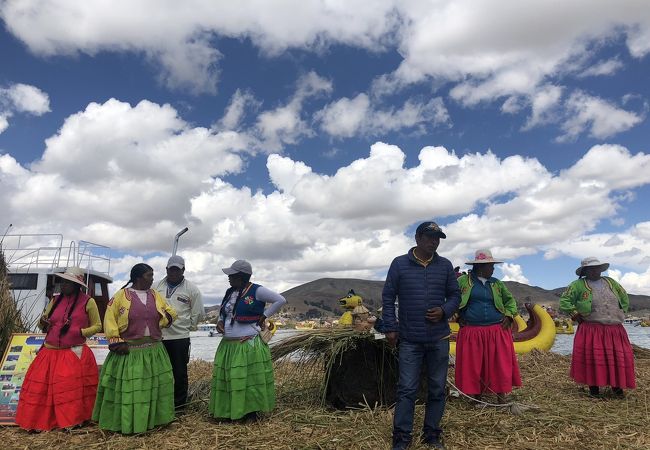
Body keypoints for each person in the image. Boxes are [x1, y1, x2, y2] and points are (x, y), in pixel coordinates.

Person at [382, 221, 461, 450]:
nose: (433, 242)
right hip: (409, 339)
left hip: (439, 338)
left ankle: (432, 434)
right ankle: (401, 438)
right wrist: (390, 326)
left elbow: (455, 296)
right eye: (429, 237)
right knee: (407, 388)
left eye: (437, 238)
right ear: (417, 238)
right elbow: (388, 297)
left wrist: (445, 310)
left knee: (437, 388)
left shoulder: (445, 266)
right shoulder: (399, 264)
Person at [92, 263, 178, 434]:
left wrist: (165, 319)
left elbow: (170, 312)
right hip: (129, 351)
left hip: (154, 350)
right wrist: (116, 341)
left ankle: (155, 419)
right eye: (149, 276)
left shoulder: (155, 295)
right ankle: (128, 423)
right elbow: (109, 319)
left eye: (152, 275)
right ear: (138, 277)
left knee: (155, 387)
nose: (152, 279)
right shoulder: (120, 297)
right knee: (133, 390)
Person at [15, 267, 101, 431]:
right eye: (62, 282)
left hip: (72, 352)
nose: (63, 285)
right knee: (41, 389)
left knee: (68, 391)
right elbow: (42, 322)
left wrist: (80, 332)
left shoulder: (88, 301)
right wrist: (43, 322)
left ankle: (71, 421)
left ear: (77, 285)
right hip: (49, 351)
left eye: (67, 283)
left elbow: (97, 325)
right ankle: (38, 422)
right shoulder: (55, 300)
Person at [209, 259, 286, 422]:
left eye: (232, 275)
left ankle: (249, 413)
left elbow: (280, 300)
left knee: (248, 380)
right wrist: (220, 322)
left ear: (242, 276)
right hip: (229, 345)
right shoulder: (229, 292)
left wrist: (264, 316)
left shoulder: (256, 290)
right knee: (231, 378)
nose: (229, 278)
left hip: (247, 344)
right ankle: (229, 410)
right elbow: (225, 312)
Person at [559, 257, 635, 398]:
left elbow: (624, 296)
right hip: (592, 328)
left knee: (616, 358)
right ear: (585, 271)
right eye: (591, 269)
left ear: (601, 269)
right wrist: (574, 313)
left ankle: (617, 389)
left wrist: (621, 310)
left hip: (614, 329)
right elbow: (564, 301)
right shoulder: (577, 285)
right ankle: (594, 390)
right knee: (593, 359)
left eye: (597, 268)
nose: (595, 271)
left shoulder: (611, 282)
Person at [455, 249, 521, 403]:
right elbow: (452, 299)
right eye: (491, 266)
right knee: (474, 364)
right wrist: (457, 316)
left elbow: (510, 301)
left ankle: (501, 396)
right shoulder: (463, 282)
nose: (493, 269)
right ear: (480, 267)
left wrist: (509, 316)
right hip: (472, 330)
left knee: (499, 363)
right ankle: (476, 396)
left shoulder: (496, 284)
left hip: (496, 330)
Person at [155, 255, 204, 410]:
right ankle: (162, 403)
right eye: (171, 269)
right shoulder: (155, 287)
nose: (173, 272)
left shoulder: (192, 289)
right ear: (166, 269)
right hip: (158, 336)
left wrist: (186, 327)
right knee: (160, 371)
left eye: (177, 269)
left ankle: (180, 405)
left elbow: (198, 313)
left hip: (179, 337)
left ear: (183, 270)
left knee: (180, 372)